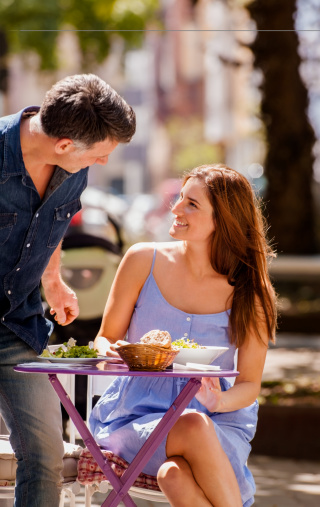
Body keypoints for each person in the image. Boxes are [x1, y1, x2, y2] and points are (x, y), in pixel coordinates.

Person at [90, 164, 277, 507]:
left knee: (173, 476)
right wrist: (112, 353)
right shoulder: (142, 260)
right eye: (180, 198)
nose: (175, 209)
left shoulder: (249, 289)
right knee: (191, 424)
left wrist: (218, 402)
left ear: (223, 220)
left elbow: (250, 384)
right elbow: (104, 338)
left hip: (220, 423)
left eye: (192, 204)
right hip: (135, 418)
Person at [0, 73, 136, 506]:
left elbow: (51, 222)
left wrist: (52, 281)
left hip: (17, 324)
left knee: (44, 454)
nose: (101, 163)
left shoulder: (71, 167)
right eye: (99, 156)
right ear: (62, 145)